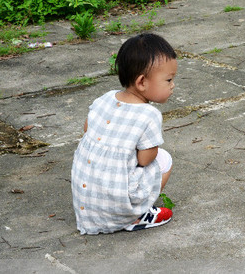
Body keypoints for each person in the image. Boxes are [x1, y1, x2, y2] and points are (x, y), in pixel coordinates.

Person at [71, 33, 177, 234]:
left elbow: (87, 129)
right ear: (142, 82)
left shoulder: (105, 98)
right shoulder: (149, 115)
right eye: (169, 79)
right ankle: (137, 215)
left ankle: (115, 210)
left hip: (86, 202)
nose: (172, 85)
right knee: (164, 160)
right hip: (118, 204)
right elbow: (146, 160)